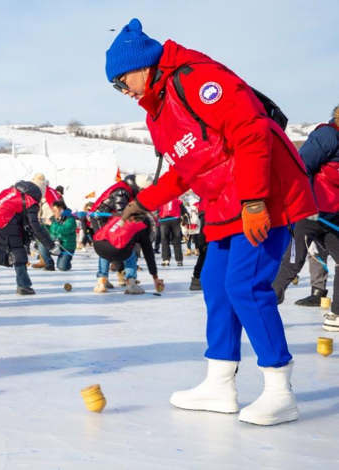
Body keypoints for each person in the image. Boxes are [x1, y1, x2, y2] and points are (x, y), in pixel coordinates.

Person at [108, 18, 316, 425]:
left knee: (245, 286)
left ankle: (279, 389)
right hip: (223, 205)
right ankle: (219, 383)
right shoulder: (159, 113)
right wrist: (142, 203)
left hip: (262, 196)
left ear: (143, 65)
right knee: (217, 287)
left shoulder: (197, 79)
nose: (123, 91)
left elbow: (252, 131)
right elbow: (185, 170)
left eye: (122, 80)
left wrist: (255, 200)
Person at [271, 105, 339, 331]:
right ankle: (265, 306)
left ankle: (336, 314)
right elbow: (301, 166)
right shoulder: (328, 135)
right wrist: (306, 202)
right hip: (309, 214)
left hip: (332, 218)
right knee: (293, 262)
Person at [0, 180, 56, 295]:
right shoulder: (30, 201)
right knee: (18, 253)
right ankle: (23, 286)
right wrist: (51, 246)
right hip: (3, 223)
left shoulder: (10, 192)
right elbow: (36, 227)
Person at [90, 174, 151, 292]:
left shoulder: (127, 189)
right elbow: (122, 212)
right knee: (107, 246)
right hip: (100, 218)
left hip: (110, 219)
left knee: (118, 245)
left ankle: (118, 276)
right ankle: (104, 279)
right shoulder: (122, 191)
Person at [93, 215, 162, 294]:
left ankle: (101, 281)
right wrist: (155, 277)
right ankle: (131, 283)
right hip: (117, 249)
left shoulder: (117, 218)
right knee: (131, 256)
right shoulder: (141, 227)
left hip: (98, 245)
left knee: (104, 253)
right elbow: (148, 254)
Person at [41, 200, 76, 271]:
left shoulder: (70, 219)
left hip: (66, 246)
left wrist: (52, 224)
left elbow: (65, 230)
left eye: (55, 211)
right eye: (52, 210)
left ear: (61, 210)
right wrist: (41, 225)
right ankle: (49, 264)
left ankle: (67, 261)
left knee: (62, 267)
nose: (53, 213)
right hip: (55, 244)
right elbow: (46, 230)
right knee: (42, 244)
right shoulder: (53, 218)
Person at [158, 198, 188, 266]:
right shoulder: (178, 201)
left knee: (164, 240)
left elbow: (157, 211)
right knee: (176, 240)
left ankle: (166, 259)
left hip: (164, 220)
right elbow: (185, 212)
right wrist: (185, 220)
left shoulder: (162, 200)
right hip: (175, 220)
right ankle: (179, 260)